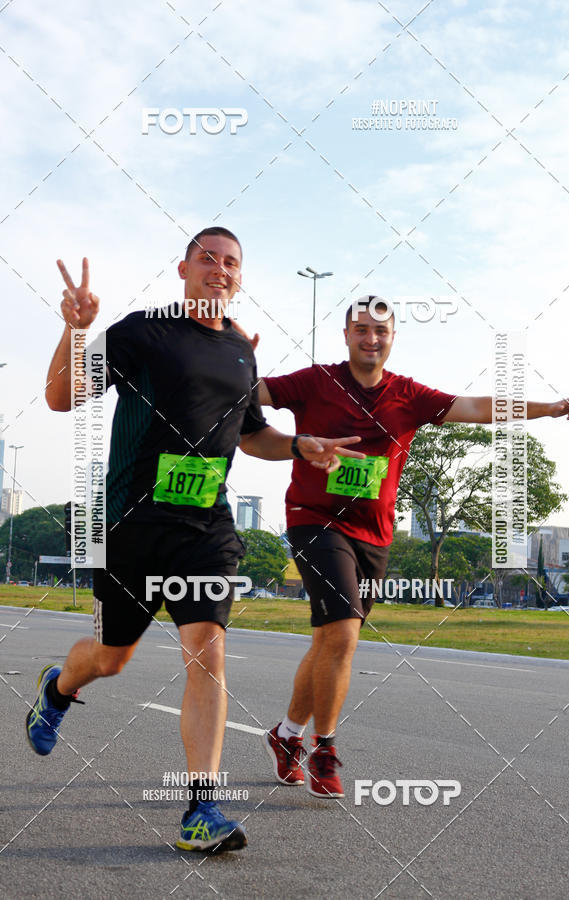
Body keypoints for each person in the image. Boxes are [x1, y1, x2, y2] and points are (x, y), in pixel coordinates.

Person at [26, 227, 363, 852]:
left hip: (206, 530)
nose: (220, 269)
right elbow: (59, 397)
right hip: (132, 523)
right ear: (183, 268)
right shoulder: (144, 330)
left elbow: (251, 435)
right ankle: (58, 687)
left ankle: (200, 809)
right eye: (207, 258)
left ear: (240, 276)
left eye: (231, 262)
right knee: (110, 659)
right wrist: (75, 330)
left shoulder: (241, 348)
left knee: (207, 653)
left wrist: (299, 446)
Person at [260, 296, 569, 799]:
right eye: (362, 329)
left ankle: (286, 735)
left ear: (392, 338)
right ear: (345, 335)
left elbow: (477, 407)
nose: (371, 338)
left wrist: (546, 409)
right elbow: (250, 395)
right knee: (344, 633)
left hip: (374, 534)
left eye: (381, 331)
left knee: (330, 640)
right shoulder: (314, 381)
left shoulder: (407, 394)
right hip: (315, 520)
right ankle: (324, 748)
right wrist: (221, 362)